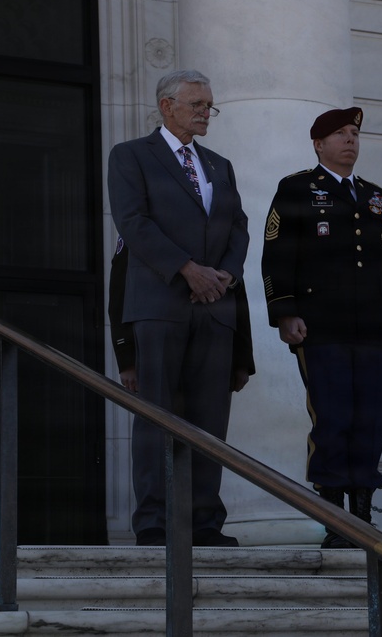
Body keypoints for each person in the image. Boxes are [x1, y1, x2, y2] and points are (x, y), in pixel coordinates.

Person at [108, 69, 250, 547]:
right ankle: (155, 521)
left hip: (214, 308)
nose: (206, 112)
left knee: (209, 419)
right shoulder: (131, 156)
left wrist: (225, 275)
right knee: (158, 416)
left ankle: (204, 522)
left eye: (210, 105)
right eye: (197, 105)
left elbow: (239, 228)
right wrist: (188, 269)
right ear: (167, 107)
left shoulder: (219, 165)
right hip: (160, 304)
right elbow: (134, 223)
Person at [260, 107, 382, 548]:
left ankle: (362, 519)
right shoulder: (296, 188)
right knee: (333, 418)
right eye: (340, 134)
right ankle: (334, 521)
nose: (350, 140)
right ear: (318, 144)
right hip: (321, 327)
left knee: (370, 420)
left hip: (374, 329)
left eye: (354, 133)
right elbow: (276, 256)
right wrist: (285, 311)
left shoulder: (377, 196)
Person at [108, 236, 255, 409]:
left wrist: (242, 359)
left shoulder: (212, 217)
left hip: (211, 346)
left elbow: (236, 288)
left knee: (209, 430)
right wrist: (127, 359)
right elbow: (120, 290)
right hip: (160, 346)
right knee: (158, 425)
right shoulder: (145, 219)